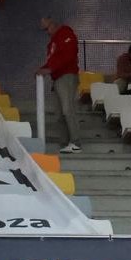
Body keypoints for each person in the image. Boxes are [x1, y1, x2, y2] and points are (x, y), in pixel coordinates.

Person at [37, 15, 81, 155]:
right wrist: (42, 69)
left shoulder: (66, 33)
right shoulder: (52, 43)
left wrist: (49, 69)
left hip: (66, 76)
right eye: (45, 30)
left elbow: (68, 55)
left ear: (52, 23)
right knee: (59, 114)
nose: (47, 32)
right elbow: (52, 61)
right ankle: (65, 143)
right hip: (57, 78)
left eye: (47, 28)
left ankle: (75, 142)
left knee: (67, 109)